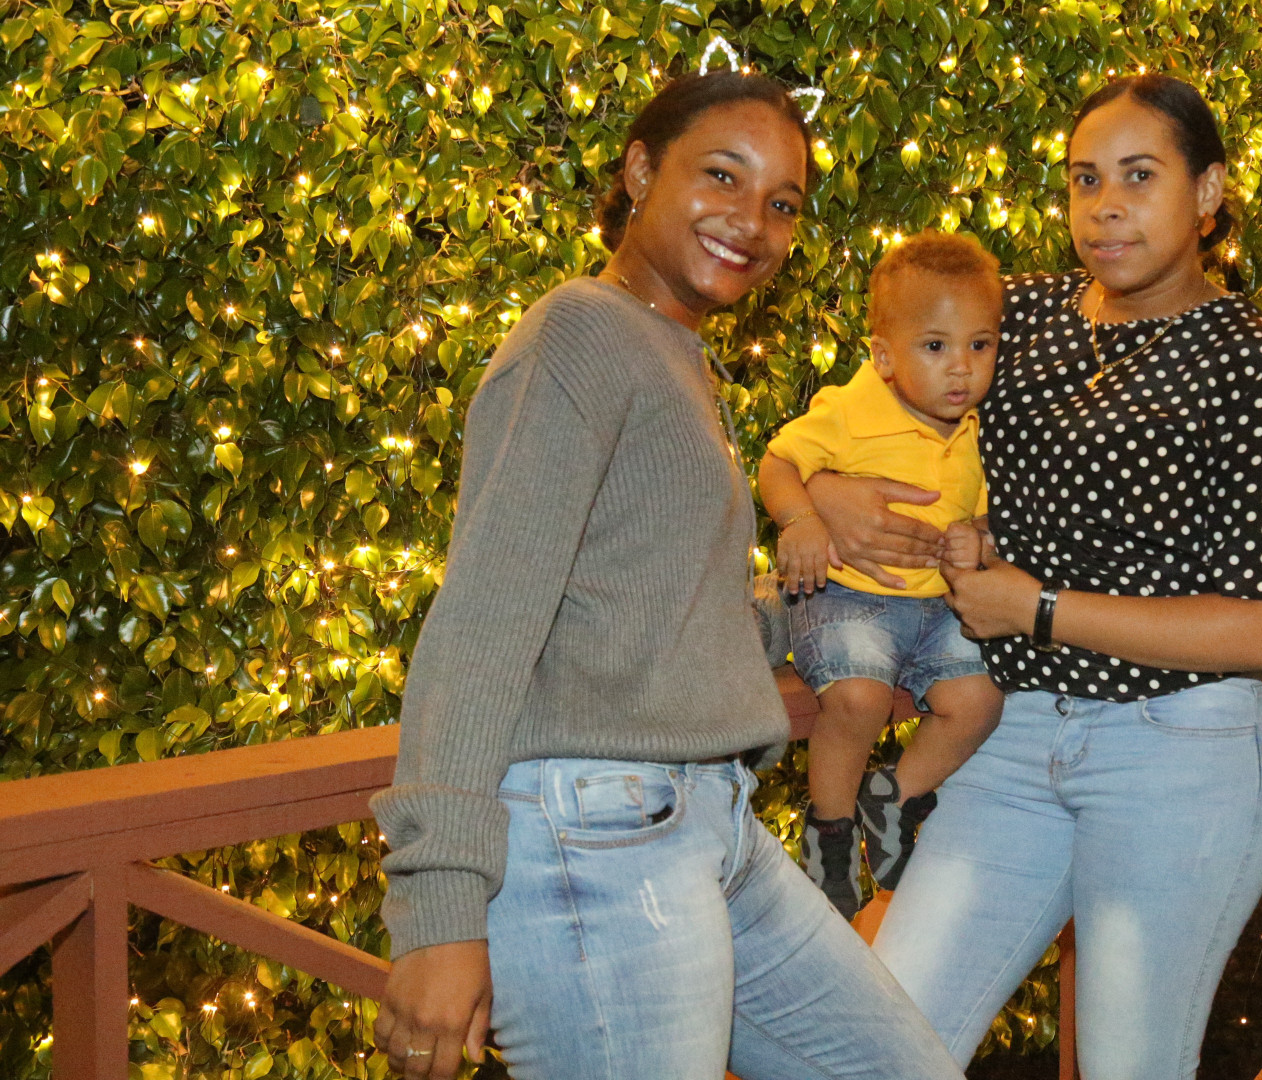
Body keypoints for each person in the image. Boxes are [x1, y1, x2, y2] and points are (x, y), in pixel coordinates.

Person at [368, 72, 963, 1080]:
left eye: (782, 203)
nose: (752, 222)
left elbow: (661, 611)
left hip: (706, 821)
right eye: (722, 176)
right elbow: (480, 627)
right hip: (593, 842)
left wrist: (828, 573)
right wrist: (439, 906)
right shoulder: (582, 332)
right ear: (641, 170)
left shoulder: (672, 352)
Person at [808, 74, 1262, 1079]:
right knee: (879, 1046)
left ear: (1209, 191)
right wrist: (822, 491)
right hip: (1012, 734)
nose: (1106, 206)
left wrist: (1039, 608)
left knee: (1128, 1064)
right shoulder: (1023, 312)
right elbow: (872, 410)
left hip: (1178, 750)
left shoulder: (1257, 362)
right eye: (1087, 179)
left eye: (1139, 176)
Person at [759, 232, 1006, 918]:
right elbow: (779, 463)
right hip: (846, 595)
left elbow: (985, 514)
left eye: (980, 345)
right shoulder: (850, 408)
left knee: (981, 700)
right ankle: (830, 829)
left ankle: (894, 795)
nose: (961, 368)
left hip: (939, 607)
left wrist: (977, 536)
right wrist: (800, 521)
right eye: (936, 346)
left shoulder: (978, 428)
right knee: (860, 699)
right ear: (884, 355)